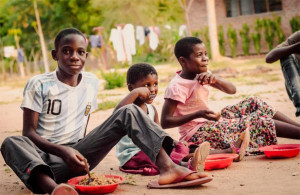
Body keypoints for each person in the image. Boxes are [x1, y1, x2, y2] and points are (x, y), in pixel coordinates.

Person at [0, 29, 210, 195]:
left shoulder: (91, 82)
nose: (74, 57)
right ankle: (54, 189)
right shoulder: (38, 84)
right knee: (11, 142)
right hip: (43, 160)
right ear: (55, 54)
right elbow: (28, 132)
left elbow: (83, 124)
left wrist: (77, 152)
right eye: (66, 51)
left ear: (86, 56)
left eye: (80, 52)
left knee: (128, 110)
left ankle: (168, 168)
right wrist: (63, 151)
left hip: (78, 156)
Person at [160, 37, 300, 159]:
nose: (205, 58)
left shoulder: (201, 74)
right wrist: (198, 114)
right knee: (255, 122)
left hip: (211, 122)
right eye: (199, 55)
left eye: (206, 54)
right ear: (183, 61)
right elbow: (166, 122)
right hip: (197, 133)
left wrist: (215, 80)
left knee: (253, 102)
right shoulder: (177, 86)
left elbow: (232, 90)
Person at [115, 63, 210, 174]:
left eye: (155, 84)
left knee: (179, 146)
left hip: (152, 150)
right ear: (131, 88)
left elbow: (159, 134)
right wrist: (135, 93)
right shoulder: (128, 108)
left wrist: (173, 142)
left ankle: (190, 157)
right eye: (146, 85)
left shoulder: (151, 109)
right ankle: (186, 164)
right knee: (157, 158)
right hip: (133, 154)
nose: (152, 89)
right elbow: (117, 112)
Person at [265, 30, 300, 117]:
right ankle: (299, 100)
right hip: (297, 86)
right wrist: (296, 47)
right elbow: (269, 58)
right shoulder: (298, 36)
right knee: (286, 55)